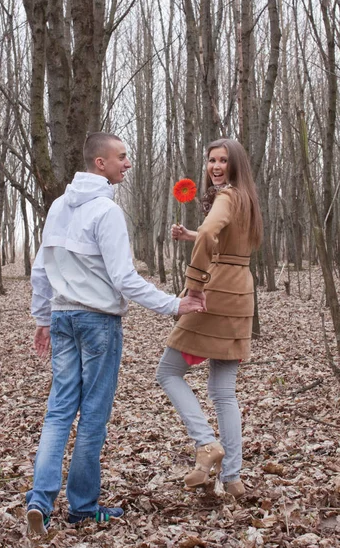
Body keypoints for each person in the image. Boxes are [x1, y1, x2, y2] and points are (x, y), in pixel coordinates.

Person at [26, 131, 206, 535]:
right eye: (121, 156)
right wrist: (175, 304)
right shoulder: (106, 213)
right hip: (97, 323)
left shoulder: (58, 207)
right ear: (100, 163)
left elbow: (40, 270)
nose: (127, 163)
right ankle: (83, 508)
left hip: (62, 317)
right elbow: (124, 278)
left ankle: (40, 501)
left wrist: (42, 317)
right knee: (92, 417)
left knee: (58, 412)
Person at [156, 138, 263, 499]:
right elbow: (225, 243)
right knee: (223, 392)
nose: (215, 166)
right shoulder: (246, 197)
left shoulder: (227, 197)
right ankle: (232, 478)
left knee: (168, 372)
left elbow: (209, 232)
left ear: (235, 166)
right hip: (240, 294)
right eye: (211, 160)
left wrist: (194, 286)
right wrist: (191, 235)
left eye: (223, 160)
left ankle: (206, 443)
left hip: (214, 294)